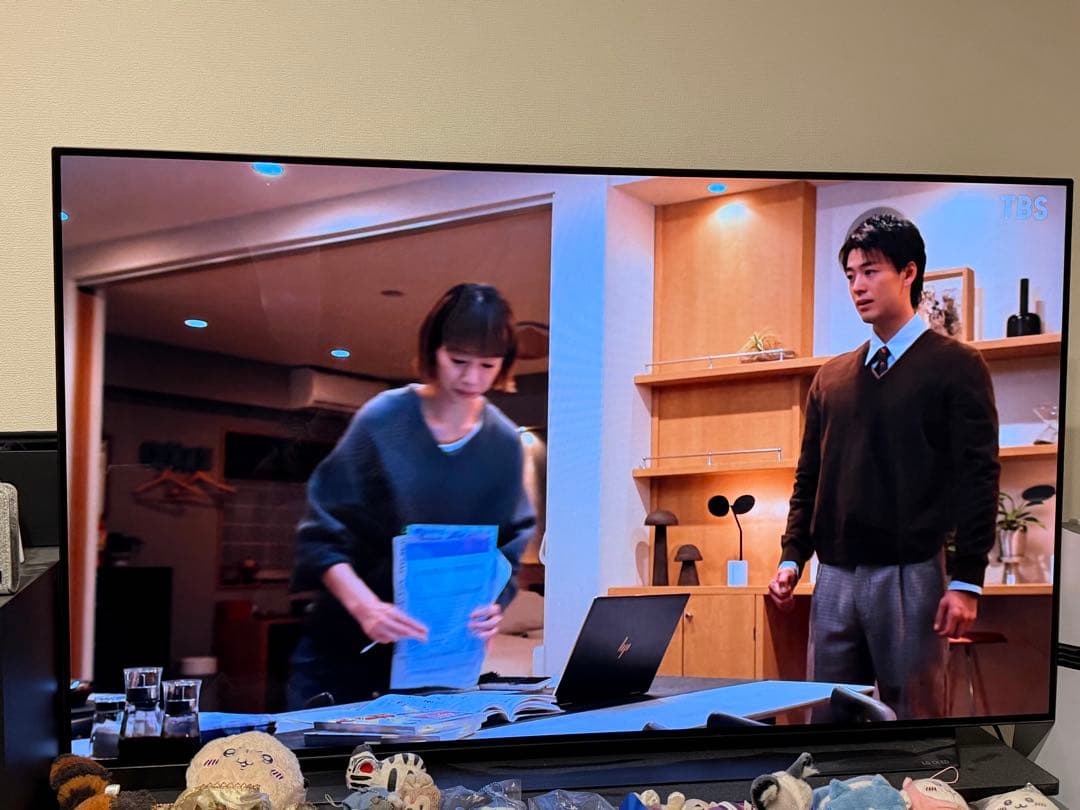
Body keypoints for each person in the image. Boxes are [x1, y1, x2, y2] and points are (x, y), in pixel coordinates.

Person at [767, 214, 1000, 720]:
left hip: (911, 572)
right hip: (833, 575)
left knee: (913, 719)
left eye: (870, 271)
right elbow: (809, 478)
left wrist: (967, 580)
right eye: (851, 274)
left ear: (909, 272)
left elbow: (978, 476)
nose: (857, 286)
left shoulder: (957, 365)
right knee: (825, 716)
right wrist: (792, 558)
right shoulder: (831, 379)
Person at [288, 283, 537, 708]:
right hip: (343, 651)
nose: (471, 378)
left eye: (487, 365)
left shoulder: (502, 442)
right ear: (433, 350)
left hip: (436, 664)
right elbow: (321, 535)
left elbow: (505, 552)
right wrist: (366, 607)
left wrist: (492, 607)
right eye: (458, 361)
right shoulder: (385, 418)